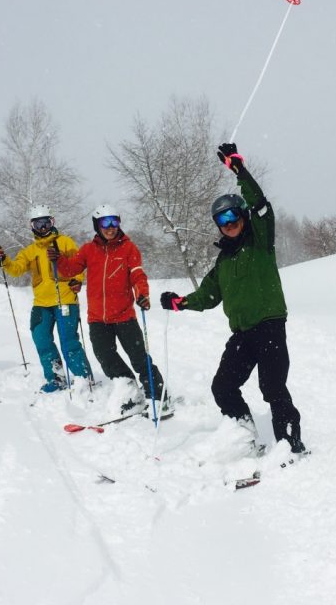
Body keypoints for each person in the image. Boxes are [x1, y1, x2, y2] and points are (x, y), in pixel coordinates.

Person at [159, 144, 305, 454]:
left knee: (273, 387)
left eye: (232, 216)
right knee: (222, 388)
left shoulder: (261, 241)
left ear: (241, 215)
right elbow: (207, 295)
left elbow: (261, 205)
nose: (228, 223)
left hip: (269, 327)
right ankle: (244, 436)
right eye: (221, 220)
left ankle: (290, 445)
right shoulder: (223, 263)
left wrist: (239, 170)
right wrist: (179, 302)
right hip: (242, 334)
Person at [50, 204, 167, 413]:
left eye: (115, 221)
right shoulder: (88, 249)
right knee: (106, 357)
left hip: (124, 315)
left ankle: (158, 396)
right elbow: (69, 269)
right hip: (97, 318)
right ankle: (130, 391)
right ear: (97, 225)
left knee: (139, 357)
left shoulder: (129, 248)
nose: (111, 227)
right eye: (105, 222)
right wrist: (57, 259)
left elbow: (138, 275)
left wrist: (142, 294)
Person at [0, 204, 89, 392]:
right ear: (32, 226)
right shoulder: (30, 251)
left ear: (52, 223)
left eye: (46, 222)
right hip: (41, 303)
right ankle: (56, 377)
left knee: (68, 341)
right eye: (38, 224)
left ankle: (83, 378)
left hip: (65, 299)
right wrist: (3, 259)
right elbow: (16, 269)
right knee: (41, 339)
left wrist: (77, 281)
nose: (43, 227)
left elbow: (78, 265)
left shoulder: (65, 242)